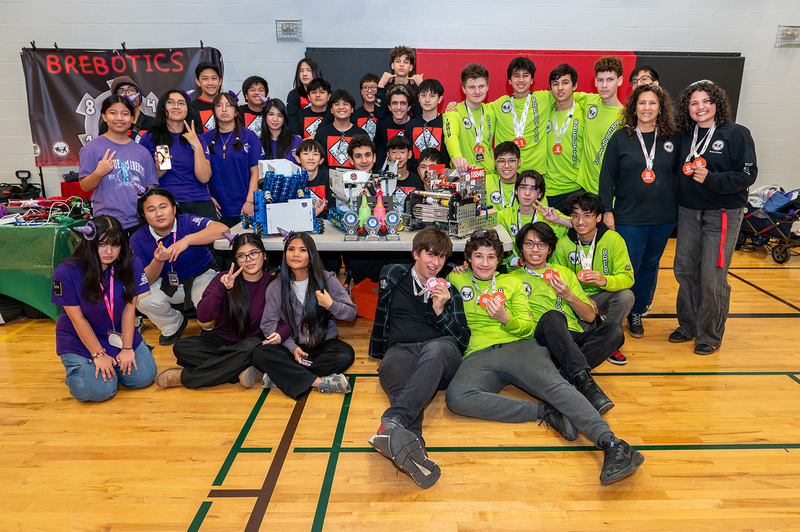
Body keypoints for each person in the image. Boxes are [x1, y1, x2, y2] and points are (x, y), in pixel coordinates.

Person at [444, 229, 645, 485]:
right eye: (478, 256)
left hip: (520, 347)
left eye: (491, 257)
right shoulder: (455, 279)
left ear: (499, 260)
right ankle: (546, 413)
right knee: (456, 397)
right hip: (478, 355)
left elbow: (529, 327)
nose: (484, 263)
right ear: (468, 259)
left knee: (557, 387)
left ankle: (613, 443)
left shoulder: (511, 283)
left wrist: (506, 319)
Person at [367, 226, 469, 489]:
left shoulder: (450, 292)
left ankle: (393, 420)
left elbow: (461, 341)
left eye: (442, 257)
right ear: (415, 254)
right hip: (400, 351)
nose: (436, 263)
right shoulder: (393, 275)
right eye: (430, 255)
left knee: (437, 348)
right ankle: (416, 457)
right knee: (404, 390)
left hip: (440, 357)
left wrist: (440, 310)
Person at [671, 80, 757, 355]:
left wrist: (712, 179)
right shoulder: (684, 135)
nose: (700, 107)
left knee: (712, 276)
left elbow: (747, 174)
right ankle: (688, 325)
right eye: (694, 103)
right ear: (688, 108)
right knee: (685, 270)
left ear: (717, 104)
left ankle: (709, 334)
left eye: (706, 101)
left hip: (722, 214)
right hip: (688, 212)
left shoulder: (737, 134)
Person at [599, 84, 680, 342]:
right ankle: (618, 312)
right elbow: (606, 178)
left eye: (652, 103)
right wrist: (607, 211)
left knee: (649, 266)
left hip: (663, 217)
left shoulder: (672, 138)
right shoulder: (621, 138)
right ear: (634, 107)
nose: (647, 108)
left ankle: (638, 311)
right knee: (628, 266)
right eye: (642, 103)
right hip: (628, 216)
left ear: (661, 108)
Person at [156, 234, 291, 389]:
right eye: (241, 256)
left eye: (254, 253)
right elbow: (203, 316)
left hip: (252, 344)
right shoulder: (222, 278)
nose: (248, 259)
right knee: (181, 347)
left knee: (254, 349)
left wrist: (280, 334)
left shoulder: (274, 284)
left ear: (264, 255)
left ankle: (186, 377)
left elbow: (287, 321)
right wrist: (221, 289)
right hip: (220, 341)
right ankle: (239, 368)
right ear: (235, 260)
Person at [512, 221, 621, 410]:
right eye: (529, 244)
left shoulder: (564, 273)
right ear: (521, 248)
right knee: (553, 316)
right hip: (540, 338)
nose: (535, 249)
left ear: (550, 249)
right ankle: (585, 385)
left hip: (571, 336)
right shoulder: (511, 278)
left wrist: (568, 295)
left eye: (541, 244)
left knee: (615, 331)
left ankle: (561, 378)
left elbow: (588, 317)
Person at [52, 215, 156, 401]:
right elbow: (77, 319)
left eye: (115, 245)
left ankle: (114, 366)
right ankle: (81, 367)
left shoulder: (131, 263)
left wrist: (127, 348)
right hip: (80, 338)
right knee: (100, 391)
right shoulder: (66, 271)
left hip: (116, 333)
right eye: (102, 244)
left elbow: (128, 309)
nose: (109, 251)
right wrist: (98, 354)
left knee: (144, 377)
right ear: (90, 243)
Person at [252, 232, 356, 398]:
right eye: (291, 249)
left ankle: (281, 375)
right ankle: (318, 381)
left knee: (345, 355)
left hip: (322, 345)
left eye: (302, 250)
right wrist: (292, 348)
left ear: (311, 255)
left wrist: (331, 305)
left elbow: (351, 313)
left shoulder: (327, 279)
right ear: (285, 253)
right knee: (260, 354)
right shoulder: (276, 285)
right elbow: (268, 324)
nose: (295, 254)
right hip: (291, 347)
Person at [130, 188, 227, 345]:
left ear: (174, 208)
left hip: (200, 275)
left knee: (207, 304)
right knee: (141, 298)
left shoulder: (187, 222)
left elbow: (223, 229)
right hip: (167, 283)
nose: (159, 213)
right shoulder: (138, 239)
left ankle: (210, 328)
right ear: (143, 214)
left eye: (163, 206)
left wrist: (187, 240)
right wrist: (158, 261)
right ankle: (173, 325)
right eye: (151, 209)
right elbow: (144, 280)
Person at [551, 192, 634, 364]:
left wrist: (606, 281)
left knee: (626, 296)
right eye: (575, 216)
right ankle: (595, 330)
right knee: (577, 337)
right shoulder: (563, 244)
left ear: (599, 217)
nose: (580, 221)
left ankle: (610, 337)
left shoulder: (613, 240)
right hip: (575, 299)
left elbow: (628, 278)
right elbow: (556, 280)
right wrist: (581, 299)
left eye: (587, 215)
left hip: (603, 295)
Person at [79, 95, 158, 236]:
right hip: (106, 223)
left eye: (125, 113)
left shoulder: (142, 152)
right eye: (113, 113)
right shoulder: (91, 149)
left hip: (138, 223)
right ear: (104, 116)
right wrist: (99, 172)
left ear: (133, 118)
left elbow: (150, 189)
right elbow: (85, 186)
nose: (119, 118)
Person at [139, 90, 214, 219]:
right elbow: (144, 180)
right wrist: (158, 169)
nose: (176, 106)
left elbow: (205, 178)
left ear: (187, 109)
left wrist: (196, 146)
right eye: (171, 102)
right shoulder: (149, 138)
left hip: (199, 202)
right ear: (163, 107)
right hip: (166, 204)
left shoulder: (198, 139)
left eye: (181, 103)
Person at [202, 92, 265, 228]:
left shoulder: (249, 136)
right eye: (219, 105)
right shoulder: (204, 138)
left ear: (236, 111)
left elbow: (256, 172)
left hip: (244, 207)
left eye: (229, 105)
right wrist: (208, 199)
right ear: (213, 111)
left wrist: (250, 202)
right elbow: (201, 174)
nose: (224, 109)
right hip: (216, 208)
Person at [496, 170, 570, 269]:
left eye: (533, 189)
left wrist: (558, 220)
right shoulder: (506, 215)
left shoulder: (550, 216)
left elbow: (581, 225)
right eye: (523, 188)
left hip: (544, 274)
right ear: (516, 191)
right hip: (514, 274)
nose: (527, 193)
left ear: (540, 194)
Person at [577, 56, 625, 194]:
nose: (604, 85)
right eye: (600, 80)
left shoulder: (625, 118)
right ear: (595, 82)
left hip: (609, 190)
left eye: (610, 79)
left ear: (619, 81)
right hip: (584, 186)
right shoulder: (588, 101)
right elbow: (563, 95)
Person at [545, 63, 585, 212]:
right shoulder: (544, 113)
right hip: (549, 190)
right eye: (555, 84)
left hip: (576, 189)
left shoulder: (584, 112)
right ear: (550, 88)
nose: (560, 88)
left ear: (574, 86)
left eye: (565, 82)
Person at [443, 63, 495, 174]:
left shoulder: (492, 110)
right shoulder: (453, 112)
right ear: (463, 89)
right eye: (472, 87)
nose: (477, 91)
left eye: (481, 86)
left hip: (490, 176)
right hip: (465, 176)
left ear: (488, 87)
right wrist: (456, 157)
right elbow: (450, 136)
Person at [313, 89, 368, 168]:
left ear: (352, 109)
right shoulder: (321, 134)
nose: (341, 107)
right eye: (337, 104)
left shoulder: (362, 134)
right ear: (331, 110)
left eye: (345, 104)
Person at [404, 78, 449, 169]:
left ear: (440, 99)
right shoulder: (410, 125)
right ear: (419, 98)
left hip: (441, 177)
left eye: (432, 96)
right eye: (423, 95)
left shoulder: (446, 122)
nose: (427, 100)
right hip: (416, 178)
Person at [98, 75, 154, 141]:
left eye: (131, 90)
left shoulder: (154, 123)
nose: (127, 94)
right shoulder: (109, 124)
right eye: (121, 92)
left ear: (139, 97)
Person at [375, 45, 423, 120]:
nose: (401, 64)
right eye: (398, 61)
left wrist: (422, 87)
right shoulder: (386, 87)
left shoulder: (416, 88)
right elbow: (379, 114)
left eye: (406, 62)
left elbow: (421, 115)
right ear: (392, 65)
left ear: (411, 67)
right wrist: (380, 86)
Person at [375, 85, 414, 168]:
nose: (398, 107)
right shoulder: (382, 125)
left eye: (403, 103)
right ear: (389, 107)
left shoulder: (415, 125)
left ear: (409, 107)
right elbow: (380, 152)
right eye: (394, 103)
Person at [296, 139, 332, 217]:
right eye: (306, 153)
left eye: (315, 154)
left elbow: (332, 208)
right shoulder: (293, 180)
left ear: (321, 160)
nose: (311, 157)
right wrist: (313, 213)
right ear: (298, 159)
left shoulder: (328, 178)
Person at [287, 58, 323, 136]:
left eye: (309, 70)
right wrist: (297, 137)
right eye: (301, 71)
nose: (304, 74)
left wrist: (316, 135)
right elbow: (292, 118)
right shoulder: (293, 95)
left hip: (321, 135)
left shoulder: (326, 94)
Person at [260, 98, 302, 163]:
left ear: (284, 119)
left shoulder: (297, 141)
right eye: (271, 114)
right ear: (265, 117)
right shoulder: (257, 143)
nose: (275, 119)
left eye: (279, 115)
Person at [485, 141, 522, 211]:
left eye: (511, 161)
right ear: (495, 163)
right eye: (501, 161)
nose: (506, 166)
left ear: (519, 162)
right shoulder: (485, 181)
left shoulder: (528, 185)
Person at [190, 61, 223, 134]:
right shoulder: (191, 108)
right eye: (205, 79)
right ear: (198, 82)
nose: (210, 83)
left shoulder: (228, 105)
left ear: (220, 81)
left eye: (214, 78)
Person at [353, 73, 380, 141]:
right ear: (361, 91)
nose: (369, 91)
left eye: (373, 87)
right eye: (366, 87)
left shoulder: (383, 114)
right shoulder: (354, 114)